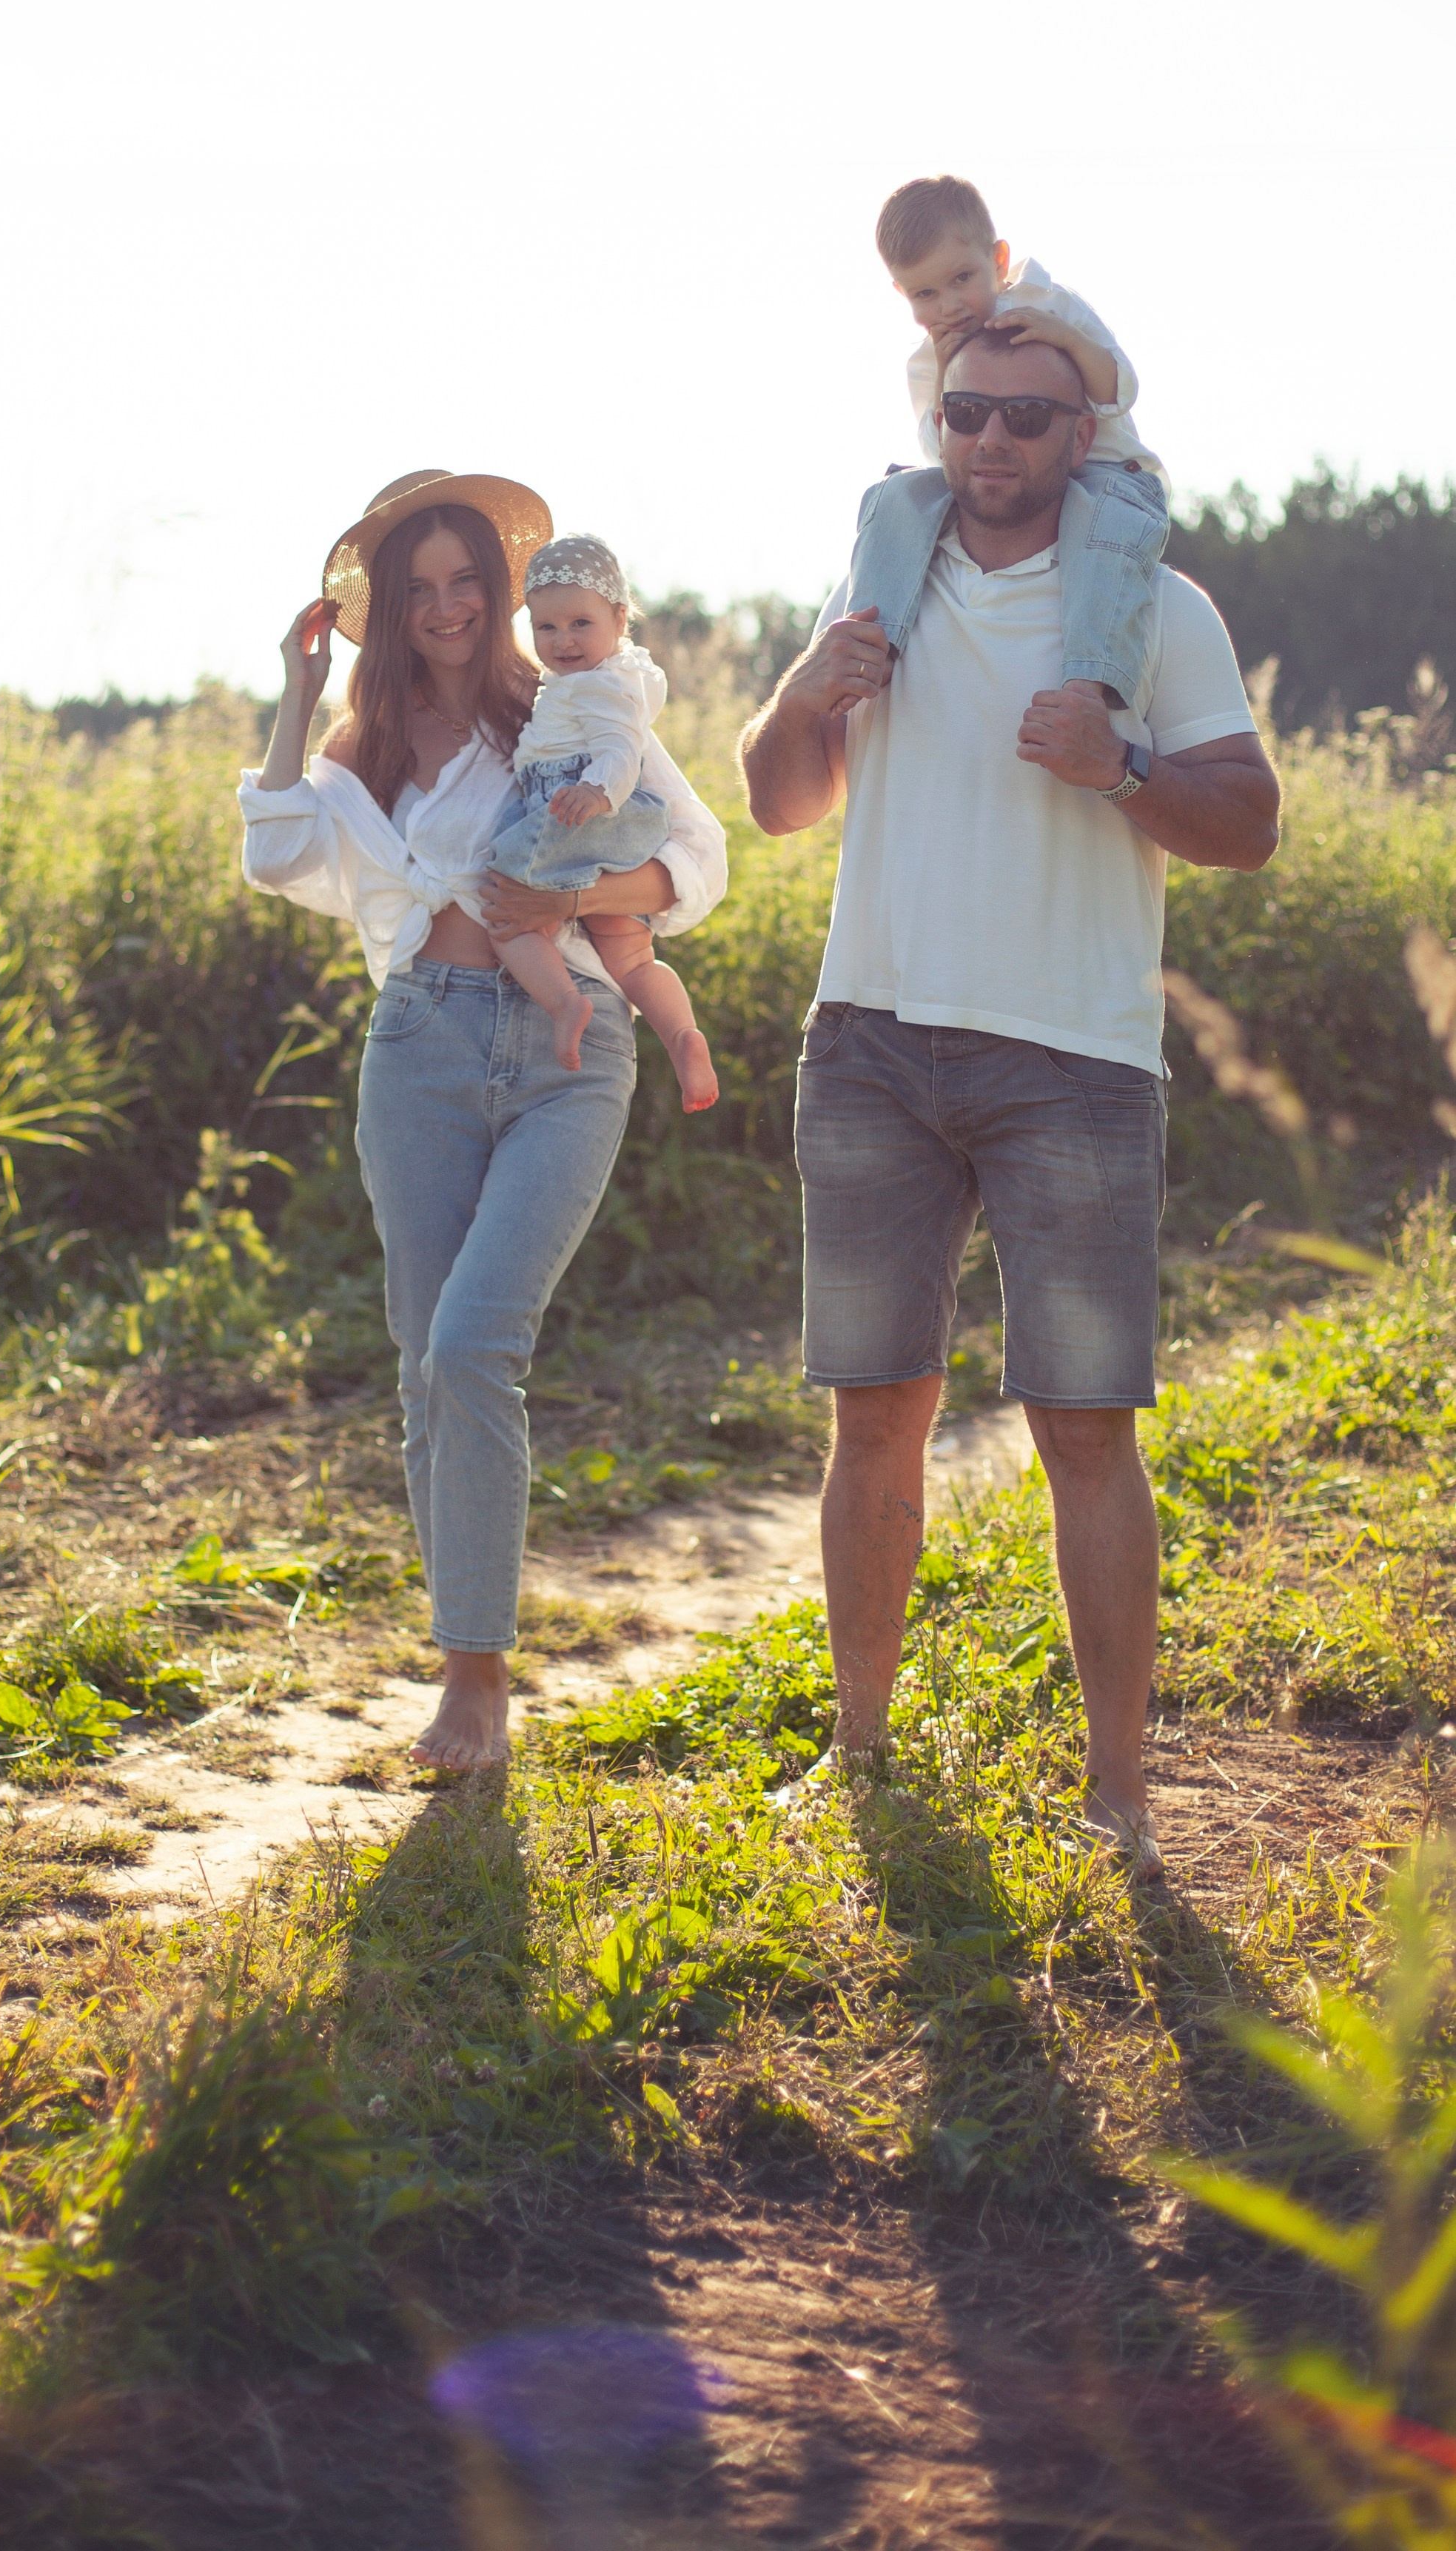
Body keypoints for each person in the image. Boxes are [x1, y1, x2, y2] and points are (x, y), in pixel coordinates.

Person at [738, 327, 1280, 1874]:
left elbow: (1247, 822)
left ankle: (1119, 1787)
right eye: (963, 410)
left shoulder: (1156, 609)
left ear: (1084, 428)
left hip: (1074, 1061)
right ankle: (858, 1752)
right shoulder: (879, 585)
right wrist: (803, 684)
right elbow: (781, 802)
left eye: (1024, 416)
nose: (988, 438)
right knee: (873, 1416)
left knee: (1086, 1429)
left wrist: (1115, 765)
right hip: (872, 1038)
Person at [239, 469, 728, 1770]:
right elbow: (273, 848)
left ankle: (481, 1677)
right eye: (423, 587)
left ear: (504, 596)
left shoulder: (572, 707)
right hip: (419, 1048)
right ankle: (467, 1674)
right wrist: (295, 692)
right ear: (390, 609)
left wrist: (570, 901)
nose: (450, 607)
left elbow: (696, 859)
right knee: (423, 1359)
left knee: (472, 1343)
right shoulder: (365, 755)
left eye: (471, 582)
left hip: (570, 1048)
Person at [848, 173, 1167, 714]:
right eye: (926, 293)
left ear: (998, 261)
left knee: (1104, 535)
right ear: (902, 294)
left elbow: (1122, 392)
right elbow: (940, 451)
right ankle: (874, 646)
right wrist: (951, 372)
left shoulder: (1052, 304)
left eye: (962, 278)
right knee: (899, 495)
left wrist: (1066, 340)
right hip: (1009, 484)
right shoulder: (929, 359)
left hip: (1110, 479)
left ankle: (1092, 679)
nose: (949, 305)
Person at [486, 532, 719, 1112]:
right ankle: (683, 1036)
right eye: (546, 628)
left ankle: (565, 1003)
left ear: (620, 620)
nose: (563, 641)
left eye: (580, 625)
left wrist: (597, 790)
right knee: (635, 960)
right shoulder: (594, 680)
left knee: (507, 918)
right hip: (605, 830)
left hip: (576, 813)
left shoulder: (603, 684)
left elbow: (620, 749)